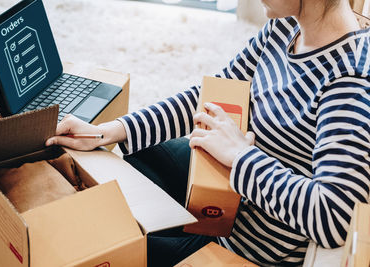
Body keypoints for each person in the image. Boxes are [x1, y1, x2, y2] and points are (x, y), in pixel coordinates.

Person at [46, 0, 370, 265]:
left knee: (106, 250)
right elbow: (208, 99)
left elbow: (334, 219)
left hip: (246, 250)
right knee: (137, 146)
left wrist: (241, 157)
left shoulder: (349, 82)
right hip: (230, 201)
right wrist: (105, 132)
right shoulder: (287, 25)